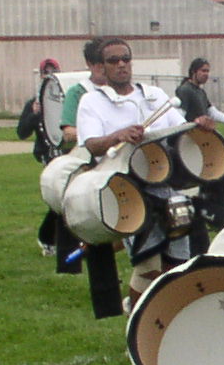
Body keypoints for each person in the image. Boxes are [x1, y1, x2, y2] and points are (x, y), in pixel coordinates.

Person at [75, 36, 192, 299]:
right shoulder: (92, 102)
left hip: (166, 186)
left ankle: (166, 318)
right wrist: (117, 135)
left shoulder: (155, 97)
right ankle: (138, 325)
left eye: (125, 59)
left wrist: (200, 125)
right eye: (113, 60)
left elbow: (180, 131)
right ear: (101, 67)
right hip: (125, 189)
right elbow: (91, 145)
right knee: (148, 265)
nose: (121, 65)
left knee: (177, 264)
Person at [175, 57, 224, 131]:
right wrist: (195, 122)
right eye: (203, 71)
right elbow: (178, 117)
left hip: (200, 136)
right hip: (188, 136)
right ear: (193, 71)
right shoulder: (184, 90)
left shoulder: (201, 91)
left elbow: (212, 112)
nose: (206, 74)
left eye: (207, 71)